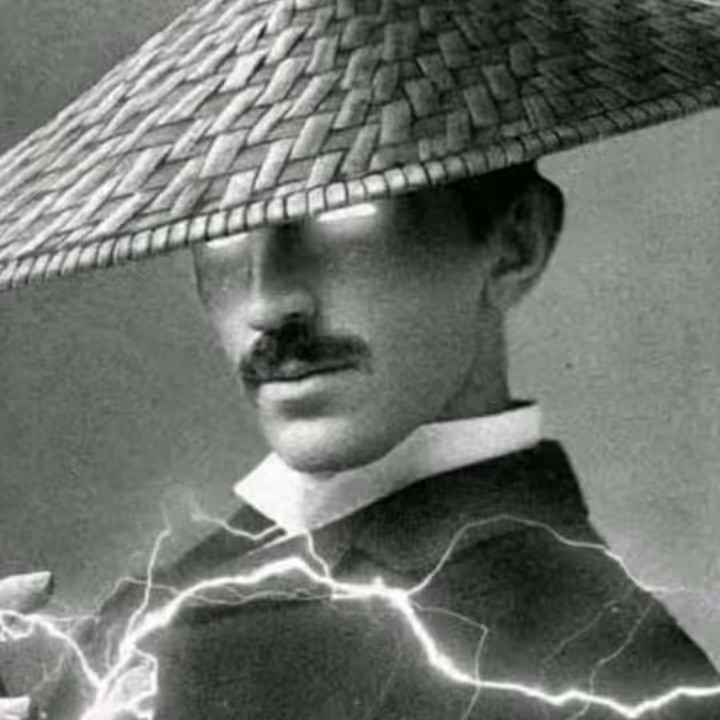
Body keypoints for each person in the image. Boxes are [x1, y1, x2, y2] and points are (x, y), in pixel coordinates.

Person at [1, 0, 720, 718]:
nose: (270, 300)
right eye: (221, 231)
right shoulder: (162, 604)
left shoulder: (614, 673)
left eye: (346, 208)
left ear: (515, 243)